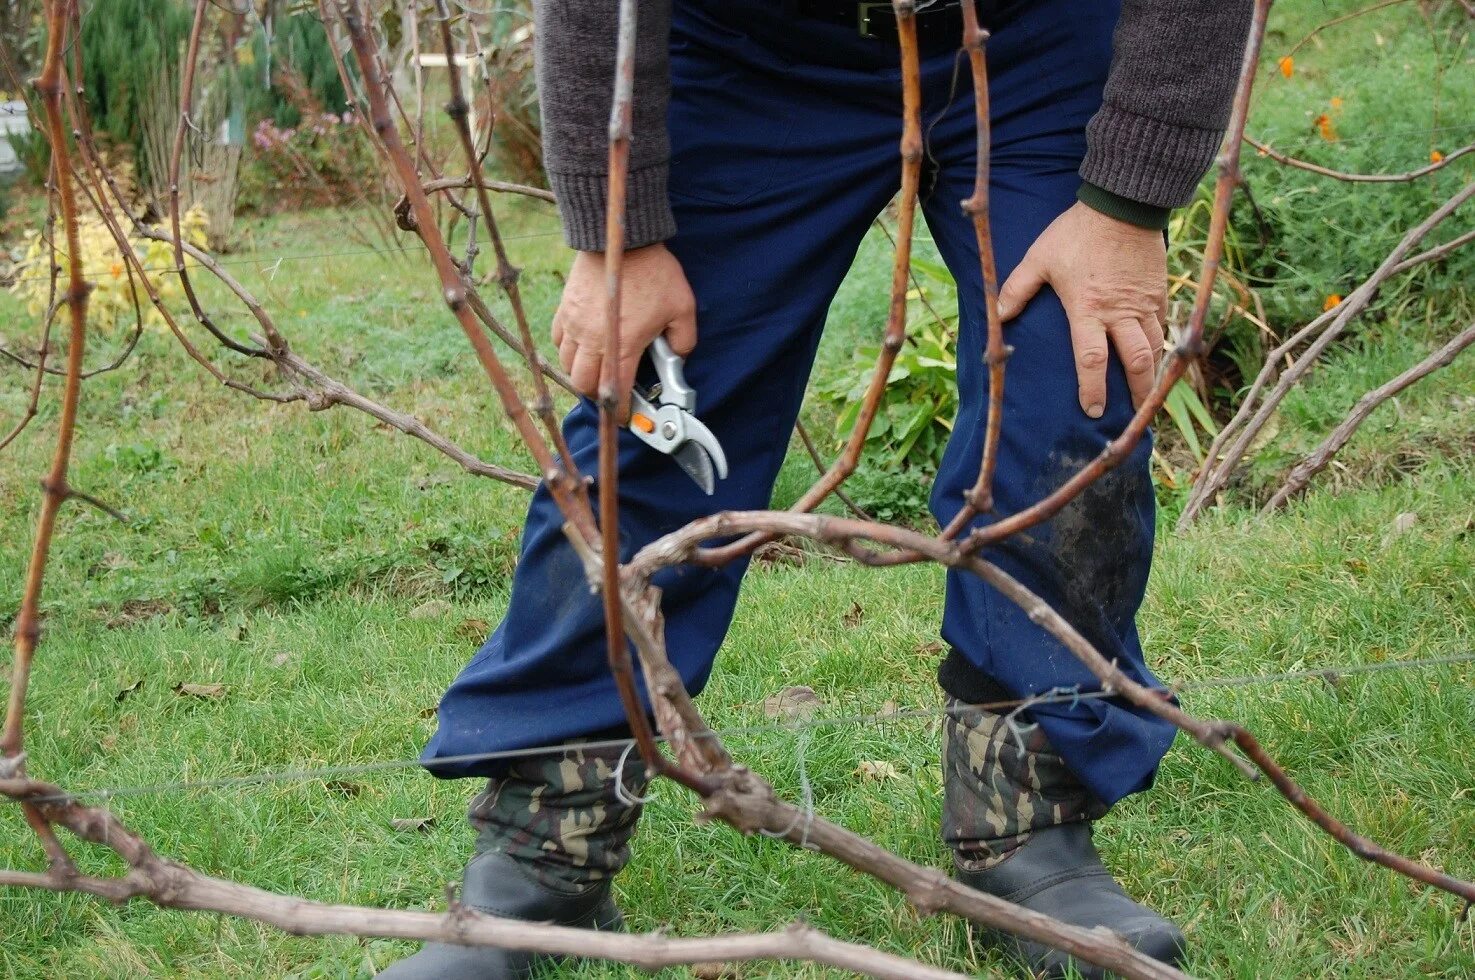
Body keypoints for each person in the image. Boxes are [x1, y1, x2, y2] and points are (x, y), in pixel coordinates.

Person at [382, 1, 1252, 977]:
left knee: (1069, 377)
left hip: (1031, 36)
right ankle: (545, 851)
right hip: (749, 43)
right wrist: (617, 229)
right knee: (657, 411)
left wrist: (1128, 201)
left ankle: (1027, 830)